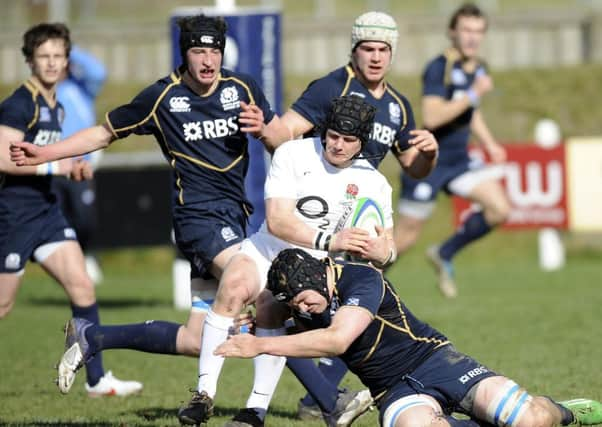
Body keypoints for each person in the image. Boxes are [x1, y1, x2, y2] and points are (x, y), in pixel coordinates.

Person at [9, 15, 288, 394]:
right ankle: (326, 403)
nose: (208, 60)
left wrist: (265, 129)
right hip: (199, 223)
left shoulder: (242, 88)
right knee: (267, 295)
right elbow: (104, 133)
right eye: (198, 51)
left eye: (214, 51)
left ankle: (94, 336)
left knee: (196, 338)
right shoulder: (162, 97)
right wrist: (45, 154)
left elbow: (279, 139)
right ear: (184, 53)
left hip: (233, 219)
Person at [177, 94, 432, 427]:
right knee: (235, 283)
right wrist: (331, 240)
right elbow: (278, 220)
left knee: (271, 304)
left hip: (312, 269)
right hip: (267, 248)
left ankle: (255, 410)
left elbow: (388, 247)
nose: (338, 145)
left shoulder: (374, 184)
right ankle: (203, 395)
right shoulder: (293, 153)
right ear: (324, 130)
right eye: (333, 136)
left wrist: (381, 252)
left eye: (348, 140)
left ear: (361, 143)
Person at [215, 247, 602, 427]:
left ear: (317, 279)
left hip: (437, 362)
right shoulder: (307, 301)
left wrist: (261, 344)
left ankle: (566, 411)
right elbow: (273, 313)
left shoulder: (362, 279)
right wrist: (256, 323)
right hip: (392, 391)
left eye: (303, 300)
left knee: (529, 420)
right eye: (294, 305)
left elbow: (337, 340)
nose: (302, 310)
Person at [277, 11, 440, 420]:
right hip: (316, 219)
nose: (375, 56)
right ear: (355, 49)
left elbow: (412, 166)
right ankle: (321, 396)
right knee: (299, 307)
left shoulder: (398, 105)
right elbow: (284, 133)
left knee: (353, 308)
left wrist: (430, 155)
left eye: (383, 49)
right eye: (367, 47)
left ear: (392, 53)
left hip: (360, 215)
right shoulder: (332, 87)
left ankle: (321, 396)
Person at [0, 22, 141, 397]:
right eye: (43, 56)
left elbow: (48, 159)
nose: (51, 63)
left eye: (57, 56)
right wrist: (58, 166)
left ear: (66, 61)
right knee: (3, 304)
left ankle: (96, 380)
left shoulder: (56, 104)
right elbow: (3, 159)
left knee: (82, 286)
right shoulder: (18, 104)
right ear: (30, 61)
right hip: (14, 215)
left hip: (46, 210)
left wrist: (73, 168)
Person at [394, 3, 510, 298]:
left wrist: (490, 143)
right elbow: (432, 116)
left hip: (459, 161)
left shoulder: (477, 67)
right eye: (467, 30)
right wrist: (474, 93)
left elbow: (472, 112)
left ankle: (444, 253)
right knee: (403, 240)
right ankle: (359, 283)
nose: (473, 37)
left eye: (478, 31)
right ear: (452, 32)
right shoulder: (439, 67)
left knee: (500, 209)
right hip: (429, 162)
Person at [54, 45, 107, 285]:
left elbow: (98, 72)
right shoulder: (44, 93)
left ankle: (85, 256)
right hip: (52, 168)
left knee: (84, 218)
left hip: (80, 167)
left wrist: (68, 48)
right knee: (56, 221)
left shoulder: (81, 89)